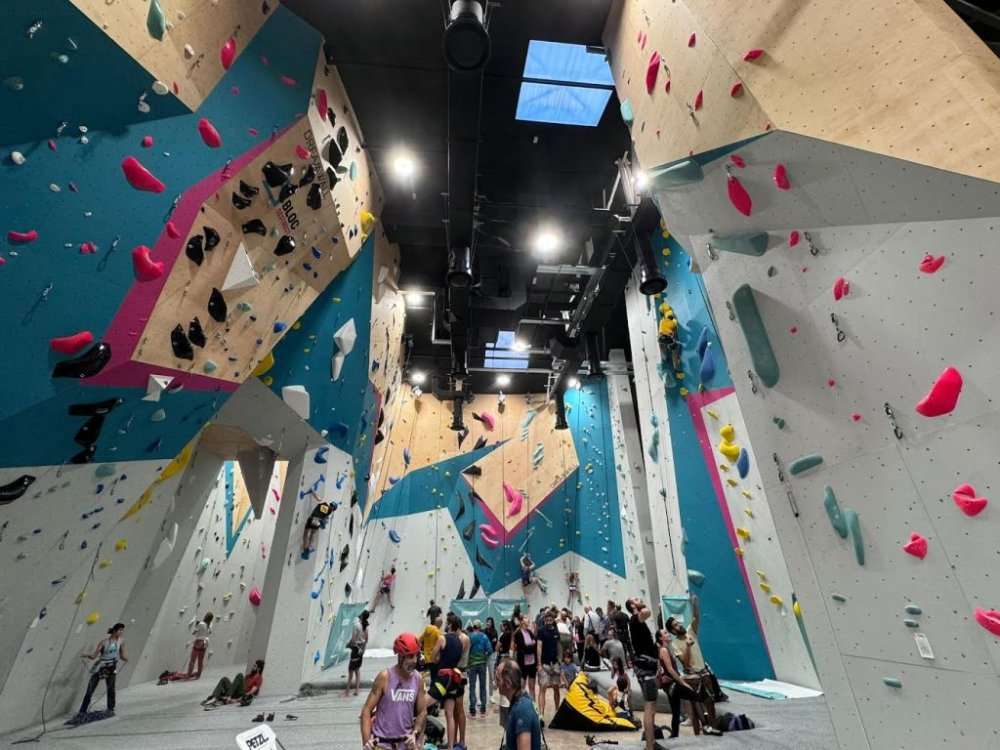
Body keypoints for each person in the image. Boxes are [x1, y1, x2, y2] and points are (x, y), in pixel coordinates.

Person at [360, 633, 427, 750]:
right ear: (400, 657)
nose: (414, 660)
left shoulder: (418, 679)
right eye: (410, 656)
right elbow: (366, 710)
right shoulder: (385, 677)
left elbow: (422, 712)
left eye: (416, 655)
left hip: (405, 745)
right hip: (382, 744)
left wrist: (415, 734)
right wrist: (366, 742)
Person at [666, 610, 719, 732]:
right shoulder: (675, 644)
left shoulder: (690, 631)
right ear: (673, 631)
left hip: (704, 674)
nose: (679, 625)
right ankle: (697, 735)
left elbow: (696, 617)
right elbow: (685, 663)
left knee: (710, 703)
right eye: (675, 625)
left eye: (678, 623)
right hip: (692, 678)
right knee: (695, 710)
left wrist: (695, 604)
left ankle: (713, 728)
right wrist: (688, 646)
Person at [626, 598, 664, 750]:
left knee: (652, 707)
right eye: (635, 600)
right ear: (632, 606)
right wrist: (639, 605)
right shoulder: (635, 619)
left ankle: (651, 742)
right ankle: (649, 745)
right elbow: (647, 611)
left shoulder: (636, 621)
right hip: (646, 670)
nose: (639, 599)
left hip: (648, 668)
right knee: (649, 707)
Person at [430, 612, 469, 750]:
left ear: (451, 624)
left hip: (451, 676)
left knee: (458, 710)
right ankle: (454, 743)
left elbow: (435, 657)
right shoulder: (460, 639)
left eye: (447, 623)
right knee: (451, 713)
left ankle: (461, 741)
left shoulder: (456, 638)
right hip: (456, 676)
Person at [656, 629, 701, 738]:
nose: (668, 634)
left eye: (667, 632)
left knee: (676, 712)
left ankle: (674, 735)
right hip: (673, 686)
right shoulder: (664, 650)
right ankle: (706, 724)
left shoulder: (665, 649)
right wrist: (683, 683)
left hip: (670, 686)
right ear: (661, 638)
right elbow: (670, 670)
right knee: (697, 697)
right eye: (665, 633)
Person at [76, 622, 128, 717]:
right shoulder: (104, 642)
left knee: (111, 688)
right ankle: (82, 710)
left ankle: (110, 709)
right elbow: (94, 656)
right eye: (120, 630)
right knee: (90, 688)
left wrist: (125, 658)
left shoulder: (121, 641)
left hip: (112, 667)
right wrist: (86, 655)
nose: (121, 632)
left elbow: (122, 655)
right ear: (115, 630)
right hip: (101, 666)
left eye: (122, 631)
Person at [497, 659, 541, 750]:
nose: (496, 684)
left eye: (498, 679)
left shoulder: (522, 709)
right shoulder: (519, 701)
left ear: (508, 683)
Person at [535, 609, 562, 718]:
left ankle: (557, 711)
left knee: (556, 687)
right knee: (543, 688)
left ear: (553, 620)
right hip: (544, 664)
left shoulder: (556, 631)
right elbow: (539, 647)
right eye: (547, 619)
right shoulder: (541, 631)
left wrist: (560, 660)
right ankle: (541, 714)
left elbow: (559, 646)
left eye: (551, 619)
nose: (549, 621)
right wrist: (539, 664)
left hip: (555, 664)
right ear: (545, 620)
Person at [466, 620, 492, 718]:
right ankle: (483, 710)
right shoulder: (484, 637)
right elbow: (489, 650)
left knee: (472, 687)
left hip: (472, 664)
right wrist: (484, 657)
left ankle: (472, 710)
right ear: (480, 627)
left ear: (473, 627)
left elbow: (467, 651)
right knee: (482, 686)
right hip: (482, 664)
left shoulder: (470, 637)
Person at [512, 615, 537, 702]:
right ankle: (521, 704)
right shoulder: (518, 633)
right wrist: (531, 645)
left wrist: (529, 645)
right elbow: (522, 647)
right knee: (522, 687)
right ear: (522, 621)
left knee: (532, 687)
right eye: (526, 619)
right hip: (523, 663)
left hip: (532, 663)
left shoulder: (529, 632)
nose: (528, 620)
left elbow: (534, 645)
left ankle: (533, 706)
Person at [345, 609, 370, 697]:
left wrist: (348, 645)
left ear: (361, 616)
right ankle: (357, 690)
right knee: (357, 670)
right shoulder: (366, 627)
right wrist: (363, 650)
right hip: (361, 650)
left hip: (356, 649)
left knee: (350, 671)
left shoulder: (357, 625)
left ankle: (347, 692)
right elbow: (366, 640)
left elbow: (353, 640)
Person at [420, 606, 443, 675]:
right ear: (440, 624)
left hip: (426, 657)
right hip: (433, 658)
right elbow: (442, 644)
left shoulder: (427, 629)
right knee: (433, 675)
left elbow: (420, 639)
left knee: (425, 673)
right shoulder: (438, 632)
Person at [484, 617, 499, 704]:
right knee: (482, 675)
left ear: (492, 623)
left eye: (489, 622)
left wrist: (490, 650)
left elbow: (494, 642)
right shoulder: (484, 631)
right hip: (484, 655)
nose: (488, 623)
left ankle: (491, 695)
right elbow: (485, 642)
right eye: (487, 621)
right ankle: (482, 696)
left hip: (492, 655)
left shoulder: (495, 631)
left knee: (491, 675)